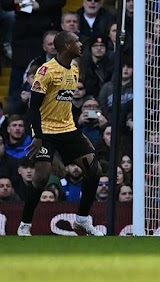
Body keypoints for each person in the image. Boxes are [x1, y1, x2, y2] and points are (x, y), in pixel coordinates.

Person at [18, 31, 103, 236]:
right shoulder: (45, 71)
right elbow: (33, 107)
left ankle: (82, 220)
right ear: (66, 46)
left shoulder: (74, 70)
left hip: (69, 131)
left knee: (95, 170)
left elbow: (64, 104)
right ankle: (25, 225)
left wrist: (78, 133)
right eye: (76, 42)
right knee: (42, 178)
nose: (81, 44)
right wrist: (37, 136)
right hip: (46, 132)